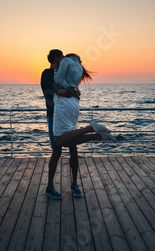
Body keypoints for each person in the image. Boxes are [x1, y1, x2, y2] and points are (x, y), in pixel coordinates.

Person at [51, 53, 116, 198]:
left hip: (63, 106)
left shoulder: (65, 62)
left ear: (66, 57)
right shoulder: (78, 67)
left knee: (60, 141)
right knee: (71, 143)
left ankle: (91, 129)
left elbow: (57, 83)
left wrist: (55, 71)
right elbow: (73, 89)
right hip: (74, 105)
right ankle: (97, 136)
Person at [41, 49, 82, 200]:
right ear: (57, 58)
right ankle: (50, 187)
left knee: (73, 149)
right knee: (57, 151)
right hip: (54, 116)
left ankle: (74, 184)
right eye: (62, 57)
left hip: (68, 116)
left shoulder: (64, 74)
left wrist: (73, 92)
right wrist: (69, 92)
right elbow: (55, 91)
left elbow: (75, 90)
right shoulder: (46, 73)